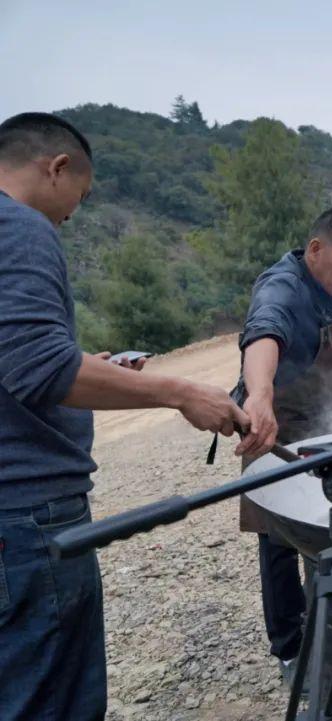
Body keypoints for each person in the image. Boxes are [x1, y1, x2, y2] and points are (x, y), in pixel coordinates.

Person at [0, 112, 247, 721]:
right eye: (77, 200)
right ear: (55, 167)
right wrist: (181, 392)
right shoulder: (21, 227)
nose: (70, 216)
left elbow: (19, 359)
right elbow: (39, 367)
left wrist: (88, 366)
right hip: (28, 512)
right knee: (48, 698)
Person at [235, 207, 332, 686]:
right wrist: (259, 395)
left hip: (327, 426)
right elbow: (265, 330)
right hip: (273, 428)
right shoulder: (282, 286)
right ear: (316, 249)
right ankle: (290, 646)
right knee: (278, 540)